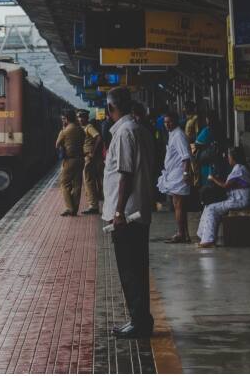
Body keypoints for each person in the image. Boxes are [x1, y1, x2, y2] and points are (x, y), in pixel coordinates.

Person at [103, 87, 155, 339]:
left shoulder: (124, 133)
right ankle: (141, 319)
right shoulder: (139, 130)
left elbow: (125, 174)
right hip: (139, 210)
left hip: (128, 215)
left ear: (111, 108)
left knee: (130, 270)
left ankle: (139, 322)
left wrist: (119, 211)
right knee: (138, 267)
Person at [196, 147, 250, 248]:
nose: (228, 159)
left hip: (240, 200)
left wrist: (213, 178)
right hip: (236, 198)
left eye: (229, 156)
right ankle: (203, 236)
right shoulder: (239, 168)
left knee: (212, 209)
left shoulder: (239, 168)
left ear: (233, 158)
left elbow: (226, 185)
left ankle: (209, 240)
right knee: (208, 206)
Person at [157, 112, 193, 243]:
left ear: (176, 121)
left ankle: (180, 234)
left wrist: (185, 174)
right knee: (180, 206)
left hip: (179, 175)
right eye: (165, 122)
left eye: (170, 122)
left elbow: (186, 157)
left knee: (178, 205)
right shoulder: (172, 134)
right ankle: (185, 234)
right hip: (174, 174)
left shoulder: (178, 135)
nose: (167, 124)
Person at [55, 109, 85, 216]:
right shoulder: (80, 129)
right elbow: (83, 140)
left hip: (70, 160)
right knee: (77, 184)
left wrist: (63, 129)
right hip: (81, 159)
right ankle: (75, 209)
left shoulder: (65, 131)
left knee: (64, 183)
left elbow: (57, 144)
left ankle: (69, 207)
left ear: (66, 119)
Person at [77, 110, 101, 214]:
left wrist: (93, 152)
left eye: (81, 117)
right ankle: (92, 204)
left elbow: (98, 137)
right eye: (78, 117)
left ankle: (93, 206)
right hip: (85, 157)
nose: (79, 119)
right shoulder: (82, 128)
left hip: (89, 157)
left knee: (89, 181)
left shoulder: (89, 127)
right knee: (88, 181)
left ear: (86, 118)